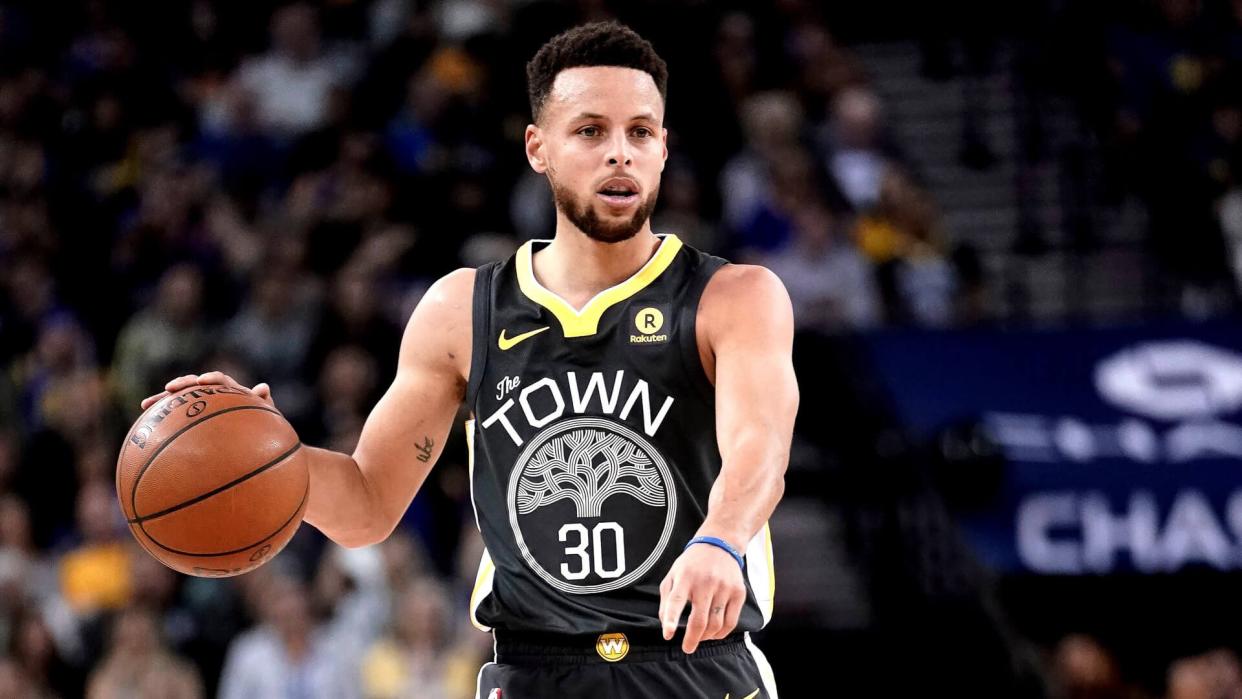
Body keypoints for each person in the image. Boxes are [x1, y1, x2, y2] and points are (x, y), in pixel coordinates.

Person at [144, 21, 798, 699]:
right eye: (591, 131)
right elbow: (368, 504)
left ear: (664, 148)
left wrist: (721, 539)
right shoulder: (464, 310)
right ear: (537, 147)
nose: (620, 154)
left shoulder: (734, 296)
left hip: (695, 663)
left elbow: (761, 446)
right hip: (531, 670)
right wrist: (263, 449)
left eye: (640, 132)